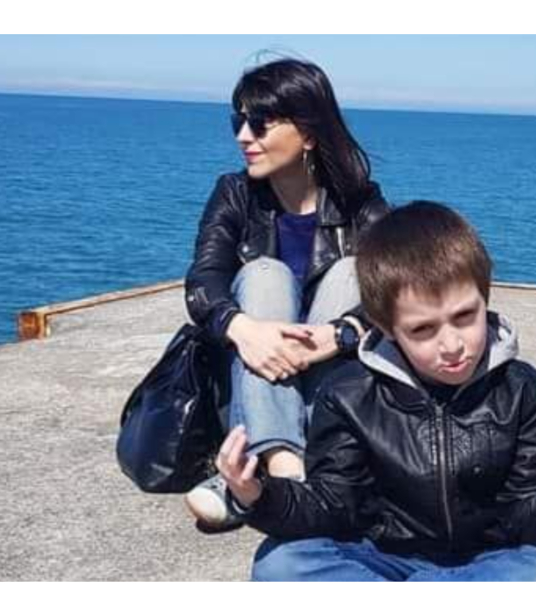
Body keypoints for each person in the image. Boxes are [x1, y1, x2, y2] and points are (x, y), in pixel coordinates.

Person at [216, 202, 536, 581]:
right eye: (422, 329)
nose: (453, 345)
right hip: (379, 559)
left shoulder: (526, 392)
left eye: (465, 317)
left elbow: (528, 508)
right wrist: (256, 494)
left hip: (489, 561)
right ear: (386, 327)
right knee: (281, 564)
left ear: (485, 298)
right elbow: (331, 505)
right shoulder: (348, 395)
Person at [183, 58, 389, 530]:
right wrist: (244, 329)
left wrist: (341, 333)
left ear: (309, 134)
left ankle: (257, 482)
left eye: (259, 123)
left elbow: (401, 286)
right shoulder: (234, 194)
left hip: (330, 377)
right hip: (247, 374)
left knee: (352, 272)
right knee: (265, 275)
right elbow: (204, 280)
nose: (243, 137)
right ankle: (282, 467)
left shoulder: (360, 201)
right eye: (238, 122)